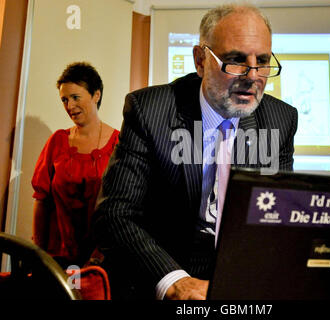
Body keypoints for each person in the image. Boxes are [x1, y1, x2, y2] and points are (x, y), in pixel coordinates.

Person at [93, 3, 298, 300]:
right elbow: (114, 215)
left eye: (262, 61)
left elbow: (275, 219)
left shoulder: (280, 119)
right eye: (236, 61)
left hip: (236, 277)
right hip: (163, 271)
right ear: (200, 60)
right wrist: (174, 281)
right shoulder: (150, 111)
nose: (252, 76)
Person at [32, 62, 120, 269]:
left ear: (96, 95)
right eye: (64, 99)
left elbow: (121, 207)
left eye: (75, 97)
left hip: (103, 260)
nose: (69, 106)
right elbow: (41, 200)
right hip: (58, 258)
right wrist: (39, 254)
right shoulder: (57, 141)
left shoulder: (119, 143)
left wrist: (99, 255)